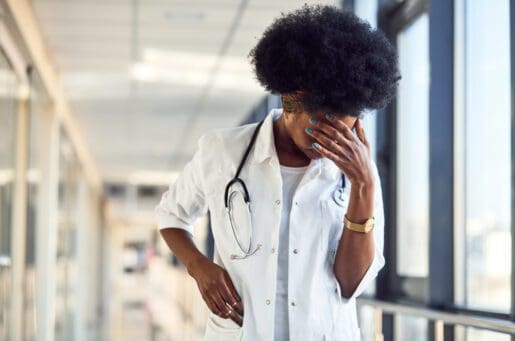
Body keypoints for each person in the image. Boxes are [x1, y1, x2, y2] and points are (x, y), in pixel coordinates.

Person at [154, 4, 400, 341]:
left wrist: (364, 186)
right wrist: (199, 267)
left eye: (343, 133)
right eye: (321, 130)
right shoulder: (222, 152)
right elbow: (171, 215)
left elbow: (349, 284)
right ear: (290, 101)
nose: (329, 148)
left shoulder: (358, 174)